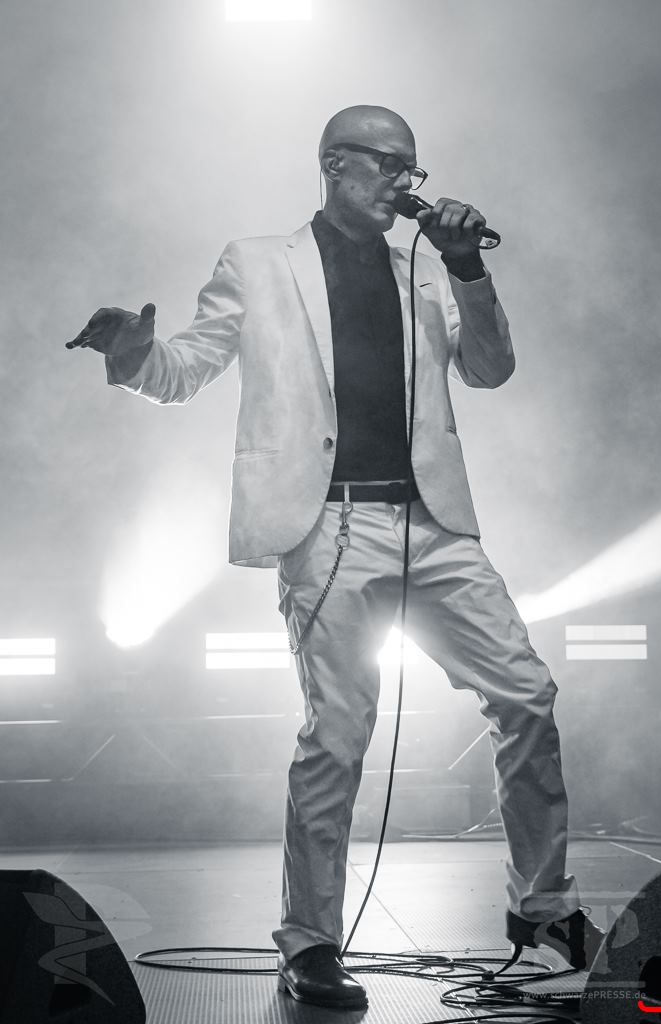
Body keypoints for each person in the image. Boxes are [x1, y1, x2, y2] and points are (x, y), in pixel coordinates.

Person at [67, 104, 604, 1010]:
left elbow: (489, 369)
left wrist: (468, 268)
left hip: (431, 524)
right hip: (328, 528)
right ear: (336, 165)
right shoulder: (257, 262)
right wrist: (133, 355)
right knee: (339, 736)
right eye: (390, 166)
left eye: (412, 169)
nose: (406, 183)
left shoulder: (423, 269)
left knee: (526, 695)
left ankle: (541, 909)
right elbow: (186, 368)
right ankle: (310, 942)